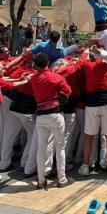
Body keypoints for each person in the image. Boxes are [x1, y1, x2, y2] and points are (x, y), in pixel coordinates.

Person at [29, 52, 71, 189]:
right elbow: (68, 91)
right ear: (47, 63)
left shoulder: (34, 78)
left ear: (36, 64)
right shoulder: (56, 77)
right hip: (55, 114)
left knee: (41, 147)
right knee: (60, 147)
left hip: (41, 116)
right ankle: (62, 178)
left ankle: (41, 181)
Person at [77, 50, 107, 178]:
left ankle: (85, 166)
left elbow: (81, 60)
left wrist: (85, 52)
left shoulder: (89, 66)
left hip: (92, 105)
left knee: (89, 136)